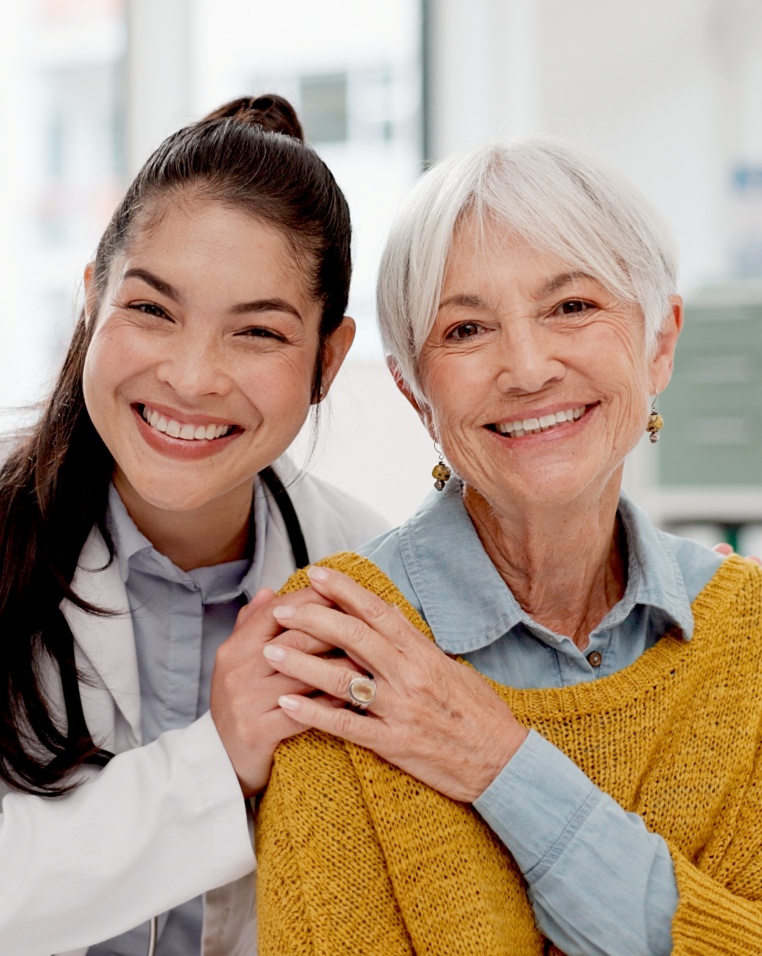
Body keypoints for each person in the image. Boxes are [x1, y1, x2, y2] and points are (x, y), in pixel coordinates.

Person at [255, 138, 762, 955]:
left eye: (572, 307)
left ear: (659, 343)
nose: (526, 368)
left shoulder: (749, 635)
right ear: (414, 391)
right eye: (466, 329)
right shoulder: (343, 644)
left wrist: (500, 762)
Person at [0, 95, 387, 956]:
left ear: (330, 358)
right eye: (152, 310)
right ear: (91, 300)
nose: (193, 376)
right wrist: (219, 761)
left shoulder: (368, 576)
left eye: (258, 332)